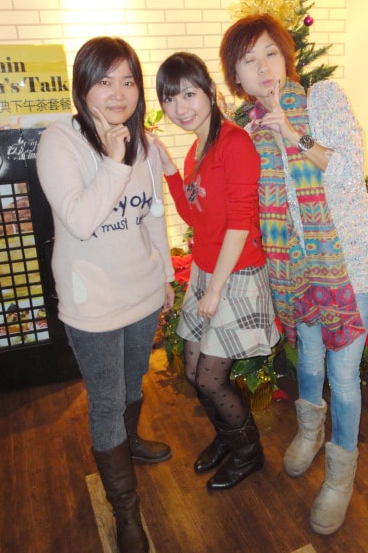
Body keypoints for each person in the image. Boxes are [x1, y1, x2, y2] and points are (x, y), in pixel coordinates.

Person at [220, 14, 368, 535]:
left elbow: (349, 172)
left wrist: (292, 134)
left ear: (286, 57)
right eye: (249, 60)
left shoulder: (323, 100)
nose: (263, 68)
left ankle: (340, 475)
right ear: (236, 77)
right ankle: (310, 432)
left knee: (344, 374)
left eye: (271, 53)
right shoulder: (248, 132)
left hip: (348, 264)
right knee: (309, 358)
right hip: (295, 268)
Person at [37, 37, 175, 553]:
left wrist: (165, 276)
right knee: (106, 400)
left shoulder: (144, 143)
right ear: (83, 87)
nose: (119, 93)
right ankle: (126, 510)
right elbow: (78, 219)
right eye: (104, 81)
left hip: (142, 290)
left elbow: (153, 214)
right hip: (91, 300)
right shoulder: (60, 141)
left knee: (133, 378)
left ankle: (130, 441)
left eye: (128, 81)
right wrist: (115, 160)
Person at [152, 51, 280, 491]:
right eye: (170, 99)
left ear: (208, 90)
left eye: (188, 94)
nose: (180, 107)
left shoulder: (235, 143)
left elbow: (241, 224)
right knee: (193, 373)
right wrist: (171, 171)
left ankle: (249, 453)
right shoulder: (196, 150)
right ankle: (228, 439)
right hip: (207, 271)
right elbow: (196, 216)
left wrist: (215, 289)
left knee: (210, 377)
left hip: (236, 275)